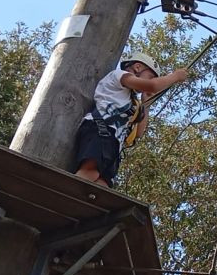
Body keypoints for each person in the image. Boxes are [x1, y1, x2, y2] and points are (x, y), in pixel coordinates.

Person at [74, 51, 189, 187]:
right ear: (138, 67)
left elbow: (138, 133)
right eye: (150, 76)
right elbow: (152, 86)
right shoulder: (119, 76)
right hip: (101, 129)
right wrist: (175, 77)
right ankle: (64, 193)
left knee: (102, 183)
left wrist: (146, 103)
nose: (151, 81)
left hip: (114, 141)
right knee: (90, 171)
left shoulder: (132, 101)